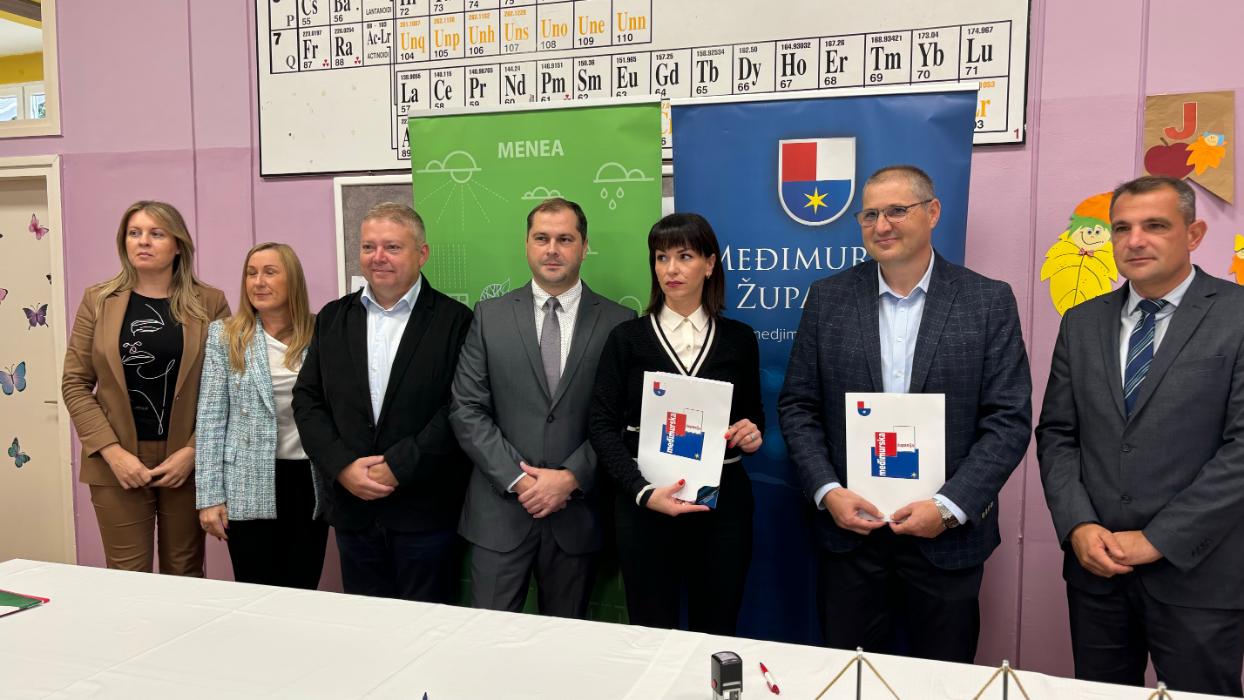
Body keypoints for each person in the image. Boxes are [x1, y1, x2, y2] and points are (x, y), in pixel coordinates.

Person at [778, 165, 1031, 662]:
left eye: (897, 210)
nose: (882, 225)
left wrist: (949, 506)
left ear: (932, 212)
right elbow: (798, 406)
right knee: (849, 678)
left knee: (944, 681)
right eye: (870, 215)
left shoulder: (987, 300)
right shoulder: (828, 298)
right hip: (851, 535)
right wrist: (828, 492)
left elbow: (1008, 418)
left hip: (947, 538)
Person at [1036, 175, 1244, 696]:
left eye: (1155, 226)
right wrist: (1078, 525)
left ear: (1193, 234)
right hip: (1097, 571)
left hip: (1199, 574)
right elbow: (1058, 434)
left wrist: (1158, 539)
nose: (1135, 241)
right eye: (1122, 228)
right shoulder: (1081, 322)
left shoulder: (1237, 314)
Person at [450, 198, 634, 618]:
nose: (552, 249)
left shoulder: (619, 322)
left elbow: (625, 417)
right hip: (499, 514)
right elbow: (466, 409)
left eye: (565, 239)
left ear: (584, 246)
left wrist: (571, 477)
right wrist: (519, 480)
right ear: (527, 245)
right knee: (488, 640)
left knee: (563, 644)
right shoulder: (489, 316)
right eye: (542, 238)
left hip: (577, 515)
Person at [588, 213, 763, 635]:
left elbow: (753, 416)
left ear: (710, 263)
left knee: (716, 628)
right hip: (645, 506)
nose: (671, 269)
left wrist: (751, 434)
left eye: (685, 256)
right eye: (661, 257)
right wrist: (642, 491)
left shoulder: (739, 338)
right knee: (649, 631)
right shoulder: (627, 338)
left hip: (722, 508)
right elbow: (601, 424)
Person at [292, 202, 472, 602]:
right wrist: (342, 466)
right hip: (353, 510)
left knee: (427, 625)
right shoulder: (332, 318)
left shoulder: (456, 320)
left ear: (421, 254)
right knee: (366, 627)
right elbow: (307, 400)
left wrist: (399, 466)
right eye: (368, 247)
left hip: (426, 512)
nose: (378, 257)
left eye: (392, 247)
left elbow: (460, 408)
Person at [62, 200, 231, 575]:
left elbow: (225, 388)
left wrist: (193, 452)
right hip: (116, 462)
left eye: (156, 234)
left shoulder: (210, 302)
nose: (143, 241)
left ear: (178, 245)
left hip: (186, 462)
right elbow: (75, 382)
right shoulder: (98, 300)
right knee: (127, 578)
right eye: (134, 233)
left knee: (185, 574)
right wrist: (112, 453)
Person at [195, 243, 327, 589]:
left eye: (270, 272)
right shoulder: (226, 335)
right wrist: (210, 498)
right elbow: (210, 420)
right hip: (247, 483)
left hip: (309, 482)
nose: (258, 282)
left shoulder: (322, 332)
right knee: (254, 592)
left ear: (292, 279)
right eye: (251, 273)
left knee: (302, 589)